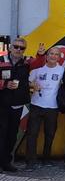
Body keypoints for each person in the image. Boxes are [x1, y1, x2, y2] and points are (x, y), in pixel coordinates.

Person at [25, 46, 64, 170]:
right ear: (47, 56)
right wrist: (32, 85)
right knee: (32, 134)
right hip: (36, 105)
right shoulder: (37, 70)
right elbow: (27, 82)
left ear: (59, 57)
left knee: (50, 134)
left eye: (56, 54)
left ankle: (46, 158)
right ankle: (31, 161)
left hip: (52, 107)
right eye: (51, 53)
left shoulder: (62, 70)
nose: (53, 56)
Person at [0, 37, 31, 172]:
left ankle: (6, 162)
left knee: (12, 134)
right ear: (11, 47)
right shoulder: (1, 60)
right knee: (1, 133)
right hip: (2, 103)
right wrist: (5, 84)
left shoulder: (26, 63)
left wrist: (41, 55)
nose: (18, 50)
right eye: (16, 47)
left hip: (17, 104)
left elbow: (40, 64)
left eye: (22, 48)